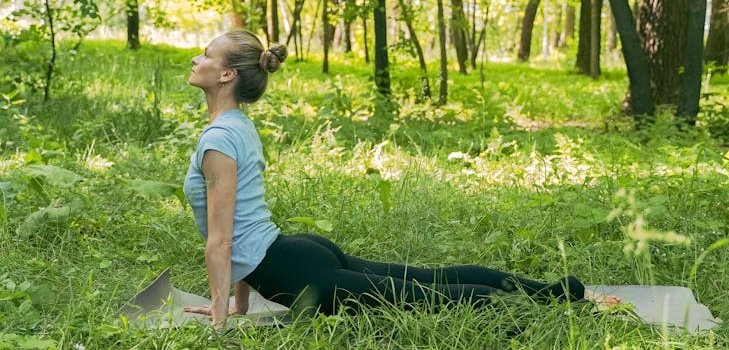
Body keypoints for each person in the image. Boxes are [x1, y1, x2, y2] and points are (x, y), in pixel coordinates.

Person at [182, 30, 619, 328]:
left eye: (206, 54)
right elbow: (241, 224)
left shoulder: (219, 138)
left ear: (227, 75)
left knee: (430, 297)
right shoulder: (237, 125)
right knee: (430, 280)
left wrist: (221, 315)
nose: (196, 58)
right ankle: (561, 293)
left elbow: (221, 240)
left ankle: (558, 308)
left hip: (294, 272)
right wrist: (238, 305)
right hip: (294, 252)